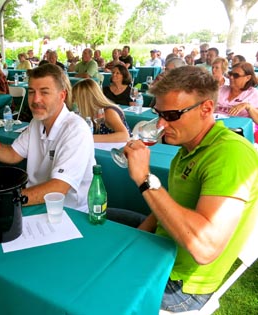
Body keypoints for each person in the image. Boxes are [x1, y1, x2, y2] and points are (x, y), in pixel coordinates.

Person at [109, 66, 258, 312]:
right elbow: (166, 209)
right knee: (102, 221)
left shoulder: (230, 154)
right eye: (159, 114)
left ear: (207, 109)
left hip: (183, 284)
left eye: (172, 115)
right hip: (165, 246)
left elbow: (205, 249)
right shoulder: (187, 149)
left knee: (97, 271)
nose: (161, 124)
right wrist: (138, 238)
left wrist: (145, 179)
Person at [0, 64, 95, 213]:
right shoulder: (37, 122)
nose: (35, 99)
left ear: (62, 96)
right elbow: (13, 154)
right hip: (34, 204)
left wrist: (0, 200)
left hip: (69, 213)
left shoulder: (76, 129)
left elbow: (59, 187)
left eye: (44, 92)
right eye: (31, 92)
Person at [215, 62, 258, 142]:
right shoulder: (220, 90)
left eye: (236, 75)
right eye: (230, 74)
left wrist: (248, 107)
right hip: (216, 128)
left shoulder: (253, 94)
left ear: (248, 78)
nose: (231, 77)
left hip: (238, 133)